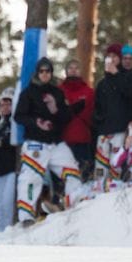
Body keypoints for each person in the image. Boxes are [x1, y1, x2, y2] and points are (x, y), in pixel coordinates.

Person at [14, 57, 84, 225]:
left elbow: (66, 117)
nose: (45, 74)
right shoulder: (28, 92)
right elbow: (19, 116)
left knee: (72, 172)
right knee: (31, 178)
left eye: (48, 71)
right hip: (35, 142)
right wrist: (37, 122)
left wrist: (55, 109)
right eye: (42, 71)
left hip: (56, 142)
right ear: (37, 73)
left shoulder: (57, 92)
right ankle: (26, 216)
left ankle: (74, 204)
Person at [94, 43, 132, 187]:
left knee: (116, 166)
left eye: (114, 56)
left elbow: (130, 94)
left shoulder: (128, 77)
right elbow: (97, 107)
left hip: (120, 130)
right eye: (109, 56)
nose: (111, 59)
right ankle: (98, 191)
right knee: (100, 168)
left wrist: (116, 74)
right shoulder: (101, 84)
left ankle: (114, 193)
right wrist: (98, 121)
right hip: (104, 132)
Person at [61, 59, 96, 180]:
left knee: (83, 175)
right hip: (63, 141)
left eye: (76, 68)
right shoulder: (59, 91)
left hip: (83, 140)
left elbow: (93, 115)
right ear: (66, 71)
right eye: (70, 68)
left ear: (81, 71)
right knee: (65, 176)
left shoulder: (89, 92)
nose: (73, 70)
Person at [0, 89, 19, 232]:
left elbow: (13, 142)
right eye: (2, 104)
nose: (5, 107)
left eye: (8, 104)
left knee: (8, 203)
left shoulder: (15, 123)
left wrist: (1, 142)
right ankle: (0, 230)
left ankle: (7, 230)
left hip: (11, 169)